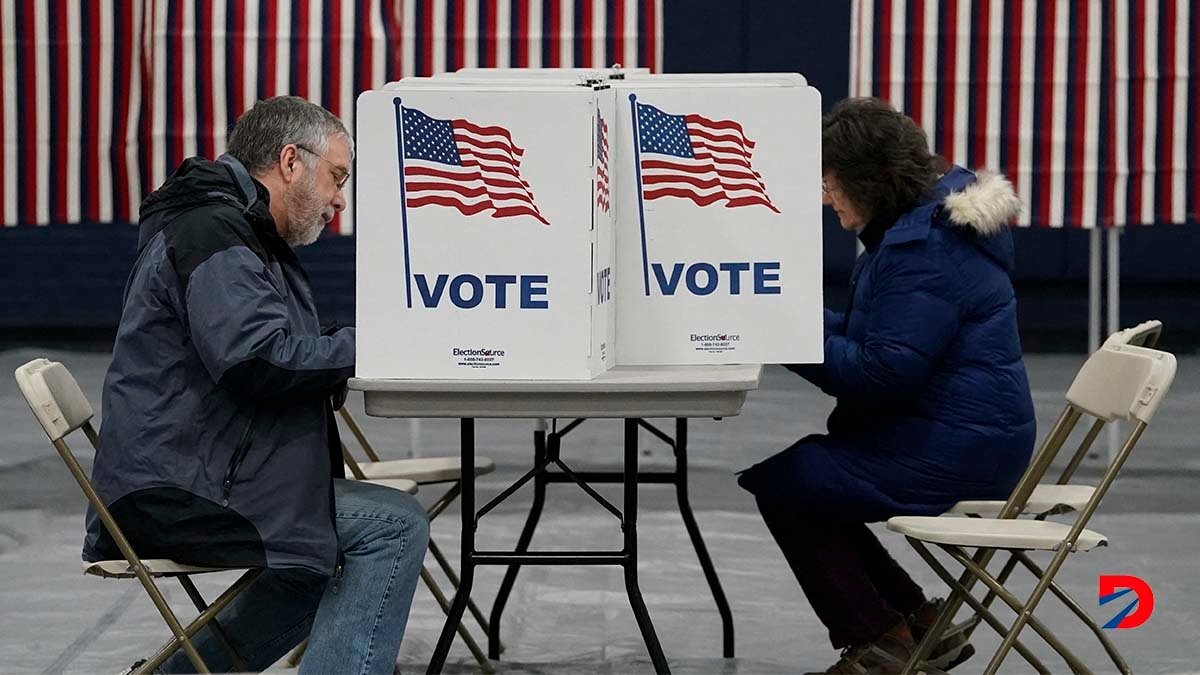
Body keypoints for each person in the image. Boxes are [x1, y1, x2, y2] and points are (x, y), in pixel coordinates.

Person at [84, 96, 429, 674]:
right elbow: (255, 359)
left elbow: (264, 344)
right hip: (177, 489)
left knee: (312, 562)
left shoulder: (231, 227)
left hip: (192, 469)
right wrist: (378, 344)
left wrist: (342, 344)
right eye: (336, 178)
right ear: (291, 162)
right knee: (393, 525)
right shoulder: (214, 231)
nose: (340, 200)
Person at [738, 97, 1036, 674]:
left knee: (793, 486)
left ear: (867, 182)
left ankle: (880, 642)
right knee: (812, 477)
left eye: (828, 182)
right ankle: (920, 625)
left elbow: (880, 376)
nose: (824, 197)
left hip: (957, 450)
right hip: (968, 435)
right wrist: (783, 309)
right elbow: (879, 337)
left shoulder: (924, 251)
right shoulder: (920, 231)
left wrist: (778, 331)